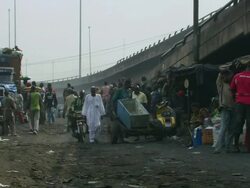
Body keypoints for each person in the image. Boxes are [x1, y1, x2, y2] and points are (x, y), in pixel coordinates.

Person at [230, 64, 250, 152]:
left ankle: (236, 145)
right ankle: (248, 147)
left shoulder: (237, 76)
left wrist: (235, 99)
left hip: (239, 103)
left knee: (238, 122)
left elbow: (232, 89)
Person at [214, 71, 234, 153]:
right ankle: (218, 148)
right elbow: (218, 80)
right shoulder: (221, 85)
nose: (228, 77)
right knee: (224, 128)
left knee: (231, 129)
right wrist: (221, 73)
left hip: (232, 108)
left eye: (229, 76)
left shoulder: (231, 85)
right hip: (225, 107)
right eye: (226, 76)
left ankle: (228, 148)